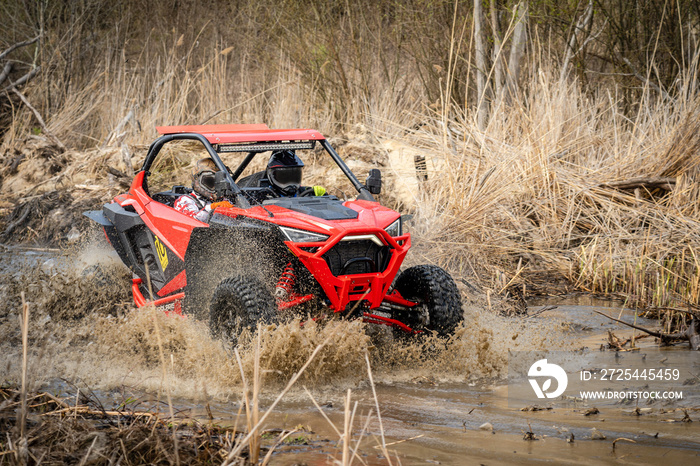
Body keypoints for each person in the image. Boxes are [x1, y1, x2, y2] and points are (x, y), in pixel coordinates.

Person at [238, 149, 326, 197]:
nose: (290, 184)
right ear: (271, 175)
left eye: (294, 177)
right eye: (284, 178)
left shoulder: (303, 192)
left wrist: (320, 194)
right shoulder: (261, 194)